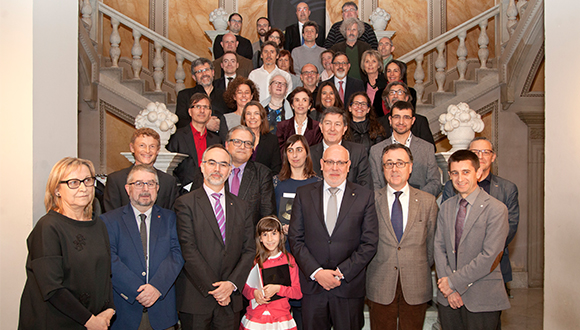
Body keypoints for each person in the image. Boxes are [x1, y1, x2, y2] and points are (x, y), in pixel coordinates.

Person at [288, 144, 379, 330]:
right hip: (313, 287)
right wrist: (317, 273)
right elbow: (295, 239)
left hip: (348, 287)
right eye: (330, 162)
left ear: (348, 165)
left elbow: (369, 243)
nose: (335, 168)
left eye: (340, 162)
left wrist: (342, 272)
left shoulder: (365, 196)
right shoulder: (304, 194)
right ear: (321, 164)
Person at [19, 157, 115, 330]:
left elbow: (105, 275)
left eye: (87, 180)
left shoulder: (98, 224)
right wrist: (90, 321)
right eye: (73, 182)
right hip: (55, 322)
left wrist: (109, 310)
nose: (83, 188)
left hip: (94, 321)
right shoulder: (48, 227)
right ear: (57, 189)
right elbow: (52, 288)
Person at [174, 144, 255, 330]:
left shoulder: (242, 207)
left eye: (223, 164)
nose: (217, 169)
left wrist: (231, 285)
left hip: (230, 300)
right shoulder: (185, 203)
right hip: (197, 298)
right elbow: (188, 249)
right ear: (202, 167)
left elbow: (249, 249)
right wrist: (218, 290)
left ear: (229, 170)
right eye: (212, 163)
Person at [101, 164, 184, 330]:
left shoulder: (171, 219)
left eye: (151, 183)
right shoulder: (109, 221)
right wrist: (137, 291)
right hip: (125, 312)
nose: (145, 189)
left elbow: (177, 254)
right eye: (138, 183)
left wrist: (157, 288)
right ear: (127, 188)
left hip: (162, 312)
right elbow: (109, 259)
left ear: (157, 188)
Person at [435, 150, 510, 329]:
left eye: (466, 172)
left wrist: (453, 283)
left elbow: (490, 257)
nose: (460, 178)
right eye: (454, 173)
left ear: (478, 173)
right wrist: (449, 288)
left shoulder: (496, 209)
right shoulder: (446, 207)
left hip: (482, 297)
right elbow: (438, 247)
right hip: (448, 299)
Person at [366, 144, 437, 330]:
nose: (394, 169)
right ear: (382, 168)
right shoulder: (370, 201)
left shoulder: (428, 202)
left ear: (410, 167)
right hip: (380, 283)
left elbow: (431, 246)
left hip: (416, 284)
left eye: (400, 163)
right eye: (389, 164)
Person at [442, 137, 520, 297]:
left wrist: (485, 254)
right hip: (456, 265)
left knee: (488, 318)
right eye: (475, 152)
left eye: (486, 152)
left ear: (493, 156)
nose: (481, 156)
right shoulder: (453, 186)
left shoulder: (507, 188)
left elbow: (510, 227)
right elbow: (446, 226)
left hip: (493, 266)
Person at [240, 216, 302, 330]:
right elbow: (244, 288)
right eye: (265, 234)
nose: (269, 239)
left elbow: (297, 293)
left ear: (281, 235)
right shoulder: (254, 261)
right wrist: (254, 294)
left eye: (274, 233)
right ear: (260, 238)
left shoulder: (289, 260)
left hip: (281, 318)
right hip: (256, 317)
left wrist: (279, 289)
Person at [369, 101, 441, 196]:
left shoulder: (426, 148)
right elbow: (374, 184)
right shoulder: (376, 150)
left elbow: (435, 182)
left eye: (406, 117)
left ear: (413, 120)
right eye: (397, 117)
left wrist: (415, 199)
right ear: (390, 120)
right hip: (387, 206)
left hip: (419, 205)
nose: (401, 122)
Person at [103, 128, 178, 212]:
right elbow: (110, 217)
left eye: (152, 146)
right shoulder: (116, 180)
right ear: (132, 148)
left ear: (158, 150)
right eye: (142, 145)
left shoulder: (168, 181)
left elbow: (172, 217)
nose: (147, 151)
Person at [167, 93, 222, 193]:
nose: (202, 110)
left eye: (205, 107)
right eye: (197, 107)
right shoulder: (177, 137)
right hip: (183, 193)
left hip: (210, 191)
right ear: (190, 112)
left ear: (210, 113)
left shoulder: (216, 140)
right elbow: (170, 167)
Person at [225, 125, 277, 226]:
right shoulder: (213, 170)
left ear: (252, 149)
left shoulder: (262, 174)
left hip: (249, 238)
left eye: (248, 143)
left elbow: (267, 215)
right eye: (237, 142)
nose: (242, 147)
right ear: (227, 145)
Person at [310, 107, 373, 190]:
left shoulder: (358, 152)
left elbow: (365, 186)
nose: (332, 129)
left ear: (344, 129)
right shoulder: (309, 153)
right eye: (328, 123)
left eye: (337, 124)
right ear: (321, 127)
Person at [375, 81, 436, 149]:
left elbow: (430, 148)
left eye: (400, 92)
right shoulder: (378, 123)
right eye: (392, 92)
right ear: (387, 99)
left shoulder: (420, 121)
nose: (395, 96)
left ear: (407, 97)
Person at [175, 58, 228, 135]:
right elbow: (181, 122)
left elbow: (231, 118)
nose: (204, 74)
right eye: (199, 72)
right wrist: (204, 123)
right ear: (194, 77)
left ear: (213, 72)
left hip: (219, 141)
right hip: (193, 140)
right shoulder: (184, 95)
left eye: (206, 70)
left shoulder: (225, 95)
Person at [241, 101, 282, 174]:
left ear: (262, 117)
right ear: (244, 118)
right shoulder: (238, 139)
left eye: (256, 113)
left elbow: (276, 168)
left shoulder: (272, 140)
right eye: (248, 113)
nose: (252, 117)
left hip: (265, 182)